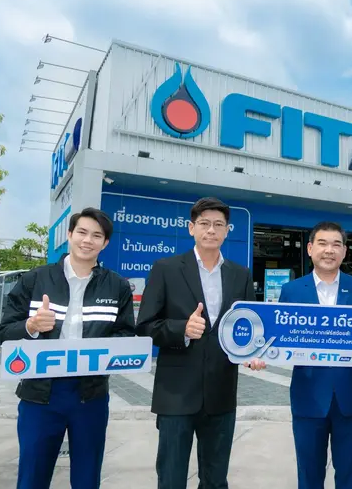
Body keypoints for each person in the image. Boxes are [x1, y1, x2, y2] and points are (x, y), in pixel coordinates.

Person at [0, 207, 136, 489]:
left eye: (97, 235)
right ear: (70, 235)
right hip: (40, 393)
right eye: (82, 232)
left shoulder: (117, 286)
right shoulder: (36, 279)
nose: (88, 240)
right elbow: (4, 332)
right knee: (32, 476)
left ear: (105, 243)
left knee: (87, 477)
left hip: (90, 394)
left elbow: (125, 334)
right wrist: (31, 326)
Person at [136, 197, 266, 489]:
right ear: (191, 227)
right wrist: (182, 329)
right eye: (204, 223)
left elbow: (250, 327)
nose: (211, 230)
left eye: (218, 224)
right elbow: (145, 325)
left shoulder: (241, 275)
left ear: (227, 230)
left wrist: (252, 353)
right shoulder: (166, 268)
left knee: (216, 481)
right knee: (171, 479)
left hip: (221, 393)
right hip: (176, 394)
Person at [278, 221, 352, 489]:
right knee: (309, 476)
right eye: (322, 243)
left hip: (350, 396)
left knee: (350, 476)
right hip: (308, 396)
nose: (329, 250)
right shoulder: (292, 291)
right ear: (310, 249)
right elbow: (279, 337)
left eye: (336, 245)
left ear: (344, 252)